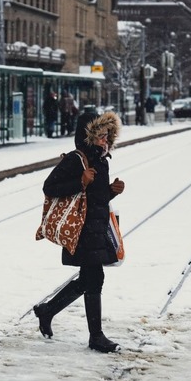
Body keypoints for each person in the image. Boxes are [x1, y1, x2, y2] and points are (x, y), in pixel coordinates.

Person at [33, 111, 126, 353]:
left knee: (89, 279)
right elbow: (49, 187)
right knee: (95, 279)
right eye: (101, 136)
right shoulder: (76, 160)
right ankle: (96, 337)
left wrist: (112, 191)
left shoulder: (102, 162)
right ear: (89, 137)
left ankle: (47, 311)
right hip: (81, 230)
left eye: (107, 136)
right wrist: (80, 182)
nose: (105, 141)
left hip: (95, 228)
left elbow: (96, 196)